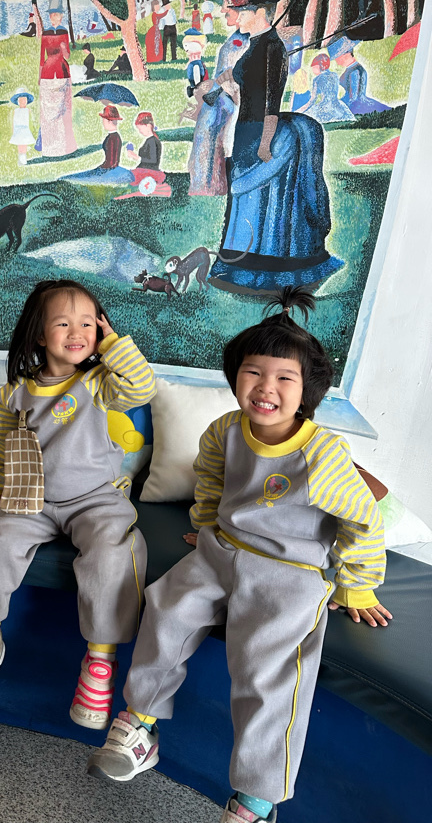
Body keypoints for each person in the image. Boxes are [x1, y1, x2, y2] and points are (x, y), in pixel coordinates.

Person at [87, 288, 389, 823]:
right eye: (253, 373)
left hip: (290, 571)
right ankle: (140, 725)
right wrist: (206, 526)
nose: (265, 388)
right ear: (235, 378)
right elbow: (211, 480)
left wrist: (357, 584)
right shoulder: (225, 430)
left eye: (284, 378)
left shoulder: (321, 453)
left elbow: (363, 518)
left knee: (267, 670)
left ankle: (256, 798)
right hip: (221, 550)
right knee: (166, 609)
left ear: (308, 391)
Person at [0, 279, 156, 730]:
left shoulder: (98, 383)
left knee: (112, 552)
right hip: (32, 498)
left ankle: (99, 661)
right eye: (63, 324)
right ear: (40, 335)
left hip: (95, 499)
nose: (77, 332)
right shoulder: (14, 393)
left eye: (87, 323)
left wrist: (113, 343)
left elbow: (142, 386)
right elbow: (2, 447)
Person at [208, 0, 343, 293]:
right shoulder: (257, 44)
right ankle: (241, 266)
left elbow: (271, 98)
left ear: (258, 12)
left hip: (261, 131)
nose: (234, 16)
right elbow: (244, 77)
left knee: (262, 201)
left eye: (240, 11)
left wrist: (267, 141)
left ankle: (266, 275)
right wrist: (224, 80)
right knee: (246, 201)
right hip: (246, 130)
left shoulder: (272, 48)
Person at [187, 0, 257, 197]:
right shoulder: (237, 37)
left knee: (211, 140)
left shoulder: (249, 40)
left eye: (227, 5)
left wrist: (230, 88)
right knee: (205, 140)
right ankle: (204, 186)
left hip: (229, 102)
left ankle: (209, 187)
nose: (222, 10)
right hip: (217, 100)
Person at [36, 0, 77, 157]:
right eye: (53, 15)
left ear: (61, 16)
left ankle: (66, 147)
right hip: (48, 72)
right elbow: (42, 57)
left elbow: (67, 56)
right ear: (49, 16)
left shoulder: (64, 32)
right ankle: (49, 147)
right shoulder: (45, 33)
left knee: (64, 109)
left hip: (62, 71)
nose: (55, 17)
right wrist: (40, 76)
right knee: (47, 110)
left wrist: (64, 48)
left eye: (58, 14)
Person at [328, 37, 390, 116]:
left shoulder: (355, 71)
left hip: (355, 106)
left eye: (337, 57)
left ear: (346, 54)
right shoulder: (350, 69)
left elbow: (353, 98)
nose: (337, 61)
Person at [298, 53, 355, 124]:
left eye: (314, 67)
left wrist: (300, 111)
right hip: (337, 105)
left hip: (324, 107)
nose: (312, 70)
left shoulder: (317, 79)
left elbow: (312, 100)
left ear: (319, 66)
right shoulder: (335, 75)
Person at [8, 88, 36, 167]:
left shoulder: (28, 110)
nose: (23, 102)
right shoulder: (16, 111)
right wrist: (13, 130)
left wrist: (31, 129)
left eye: (25, 100)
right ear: (18, 101)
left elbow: (30, 121)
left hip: (25, 129)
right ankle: (21, 158)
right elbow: (14, 121)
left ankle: (24, 158)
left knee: (24, 144)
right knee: (20, 144)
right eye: (21, 100)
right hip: (18, 130)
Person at [144, 0, 168, 64]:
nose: (158, 6)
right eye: (157, 5)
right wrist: (167, 10)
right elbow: (162, 15)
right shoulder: (154, 14)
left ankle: (158, 58)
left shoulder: (155, 14)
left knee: (157, 44)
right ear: (154, 7)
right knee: (155, 44)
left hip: (156, 30)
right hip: (154, 31)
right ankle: (154, 58)